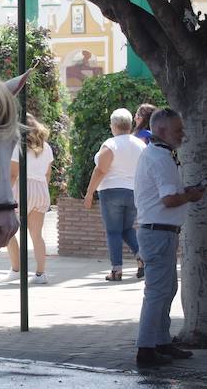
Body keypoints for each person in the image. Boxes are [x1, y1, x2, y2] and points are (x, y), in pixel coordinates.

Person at [132, 109, 205, 367]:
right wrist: (191, 196)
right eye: (178, 129)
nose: (182, 134)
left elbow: (167, 195)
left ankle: (160, 342)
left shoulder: (158, 154)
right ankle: (146, 348)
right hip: (158, 232)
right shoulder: (160, 158)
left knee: (165, 290)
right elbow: (168, 199)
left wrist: (185, 192)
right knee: (157, 292)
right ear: (162, 131)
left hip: (159, 231)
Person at [83, 108, 146, 281]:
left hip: (111, 191)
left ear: (114, 125)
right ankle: (142, 257)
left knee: (113, 232)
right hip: (133, 191)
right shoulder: (140, 145)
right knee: (126, 229)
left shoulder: (111, 144)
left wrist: (89, 193)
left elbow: (101, 169)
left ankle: (116, 270)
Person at [2, 115, 54, 284]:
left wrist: (5, 193)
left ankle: (16, 269)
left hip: (21, 187)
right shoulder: (46, 147)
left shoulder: (18, 145)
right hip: (41, 188)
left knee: (8, 230)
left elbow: (13, 173)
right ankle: (41, 274)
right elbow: (48, 173)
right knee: (36, 235)